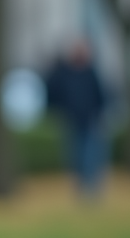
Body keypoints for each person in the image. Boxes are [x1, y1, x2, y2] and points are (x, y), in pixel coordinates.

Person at [45, 41, 109, 198]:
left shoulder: (90, 72)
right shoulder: (63, 73)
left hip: (89, 120)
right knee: (76, 157)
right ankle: (81, 188)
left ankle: (92, 188)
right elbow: (53, 94)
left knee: (91, 155)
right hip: (71, 122)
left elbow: (100, 95)